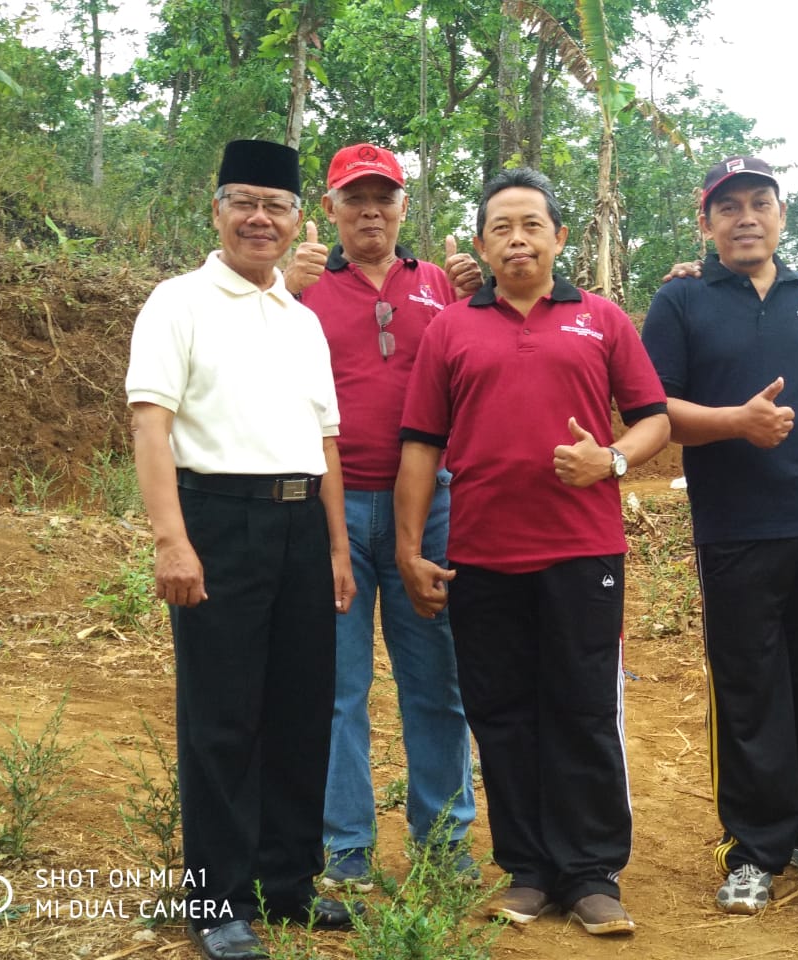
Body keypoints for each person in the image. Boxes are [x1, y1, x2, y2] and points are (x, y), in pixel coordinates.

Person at [394, 167, 670, 936]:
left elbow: (652, 420)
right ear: (481, 244)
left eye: (532, 225)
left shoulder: (603, 320)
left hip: (583, 552)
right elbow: (420, 445)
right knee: (502, 711)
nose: (517, 239)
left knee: (581, 709)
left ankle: (590, 872)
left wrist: (609, 461)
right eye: (502, 228)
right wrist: (411, 549)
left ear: (559, 236)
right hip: (481, 554)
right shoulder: (451, 328)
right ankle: (527, 869)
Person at [126, 139, 360, 960]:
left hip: (302, 524)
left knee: (300, 710)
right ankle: (216, 901)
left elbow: (325, 439)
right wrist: (172, 542)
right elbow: (150, 425)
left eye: (277, 204)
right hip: (217, 521)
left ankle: (286, 885)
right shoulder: (178, 303)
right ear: (217, 208)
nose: (260, 218)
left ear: (298, 218)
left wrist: (336, 545)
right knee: (222, 719)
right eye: (244, 201)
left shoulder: (301, 319)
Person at [642, 156, 798, 915]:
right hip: (737, 530)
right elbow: (655, 411)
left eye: (760, 203)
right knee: (749, 690)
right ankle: (752, 847)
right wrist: (736, 424)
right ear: (705, 223)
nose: (746, 217)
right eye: (729, 207)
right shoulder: (680, 301)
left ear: (781, 215)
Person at [282, 143, 480, 890]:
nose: (370, 211)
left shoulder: (441, 285)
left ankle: (444, 844)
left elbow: (483, 356)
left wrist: (476, 290)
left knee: (437, 680)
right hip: (327, 509)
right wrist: (280, 290)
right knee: (337, 686)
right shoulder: (299, 288)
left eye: (384, 197)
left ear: (405, 207)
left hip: (429, 510)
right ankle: (345, 849)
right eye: (353, 198)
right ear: (329, 210)